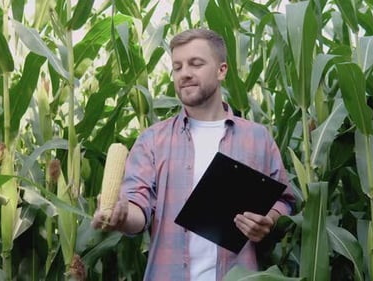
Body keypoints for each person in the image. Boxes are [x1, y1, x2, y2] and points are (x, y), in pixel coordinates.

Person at [92, 28, 294, 281]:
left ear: (222, 70)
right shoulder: (153, 140)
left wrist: (270, 220)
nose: (184, 73)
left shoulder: (257, 138)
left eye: (195, 64)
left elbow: (285, 200)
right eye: (177, 67)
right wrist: (121, 215)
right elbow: (138, 207)